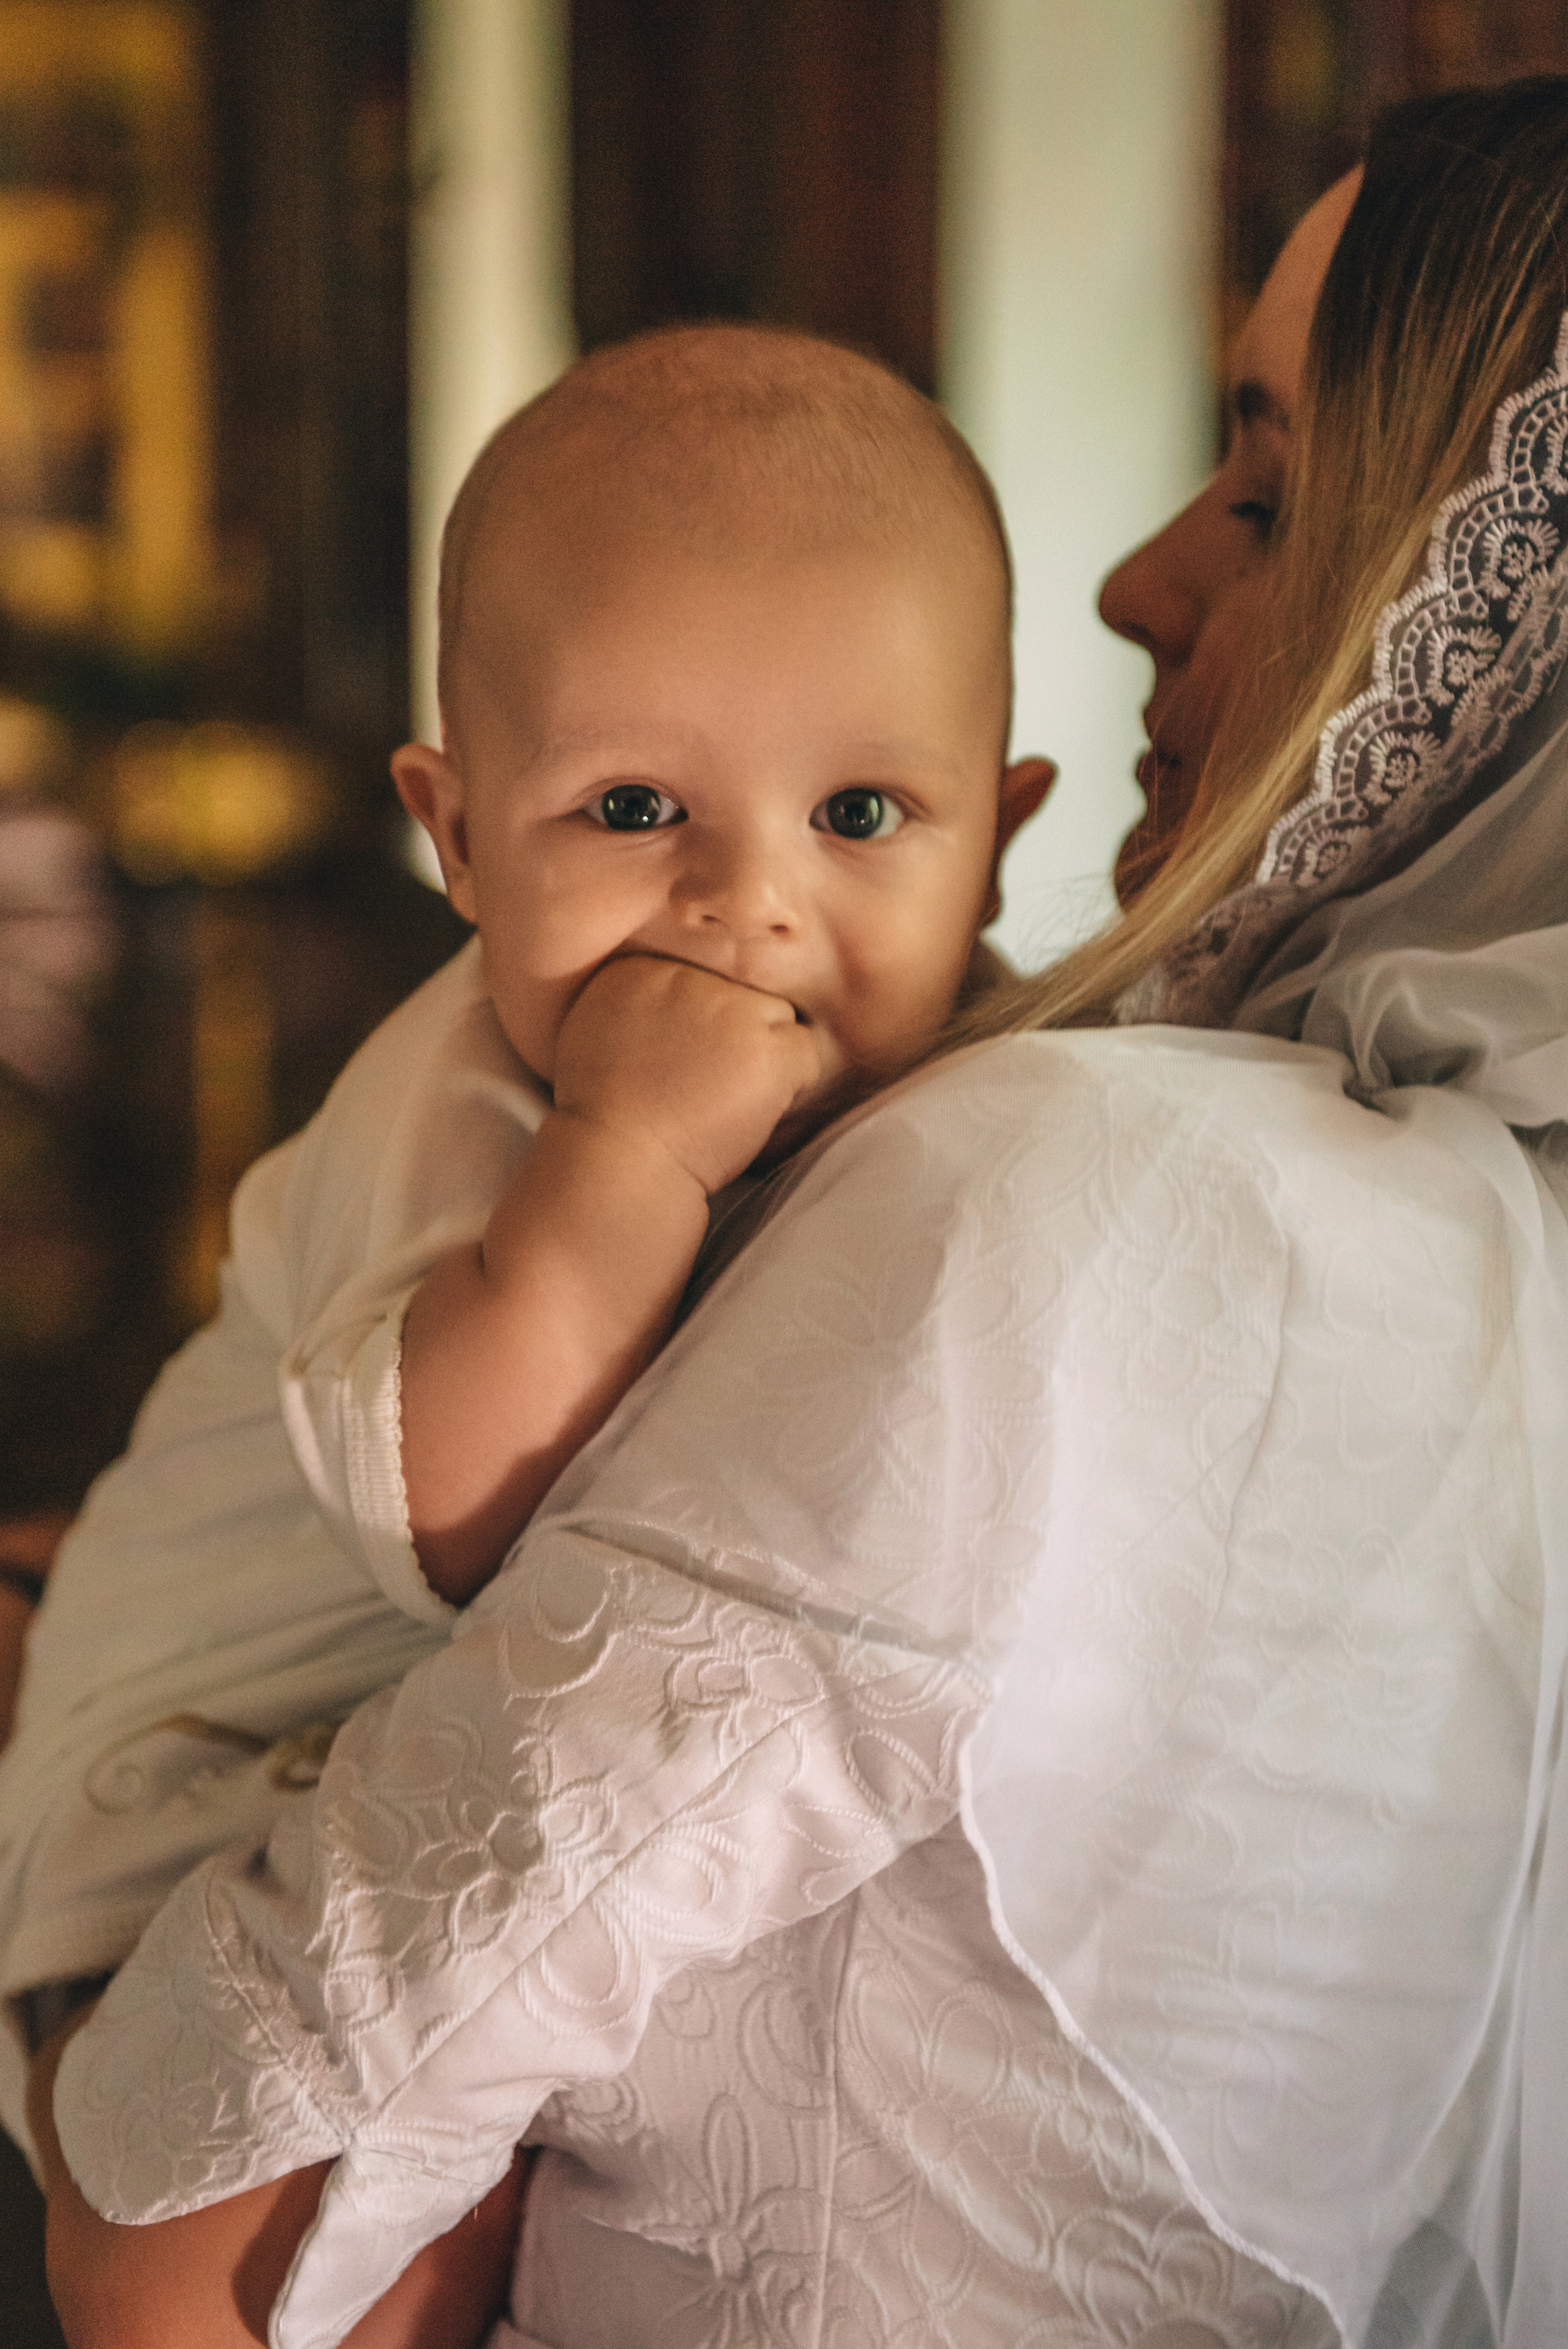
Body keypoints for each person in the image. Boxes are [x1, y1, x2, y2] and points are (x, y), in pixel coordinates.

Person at [39, 75, 1568, 2349]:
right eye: (639, 799)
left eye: (1264, 489)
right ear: (454, 830)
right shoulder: (1465, 1246)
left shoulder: (1065, 1188)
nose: (1142, 577)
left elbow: (185, 2195)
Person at [0, 323, 1048, 2328]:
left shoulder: (976, 1070)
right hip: (184, 1816)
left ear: (995, 825)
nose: (745, 904)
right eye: (637, 805)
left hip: (423, 1805)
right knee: (312, 2266)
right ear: (457, 832)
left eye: (861, 814)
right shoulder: (473, 1100)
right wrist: (627, 1154)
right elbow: (457, 1513)